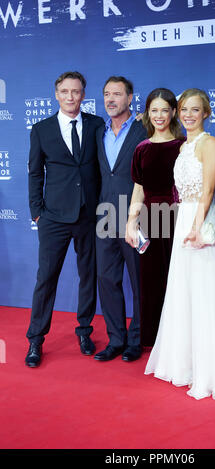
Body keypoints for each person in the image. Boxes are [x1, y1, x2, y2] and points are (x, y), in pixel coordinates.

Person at [145, 88, 215, 400]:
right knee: (184, 292)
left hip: (199, 223)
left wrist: (197, 227)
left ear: (205, 113)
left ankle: (211, 369)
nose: (188, 115)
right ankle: (185, 364)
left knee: (204, 294)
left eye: (195, 110)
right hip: (183, 220)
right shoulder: (184, 145)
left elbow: (210, 188)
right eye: (184, 109)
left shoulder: (208, 143)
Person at [26, 71, 104, 367]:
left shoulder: (97, 125)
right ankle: (35, 339)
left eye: (76, 92)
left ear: (83, 95)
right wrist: (37, 211)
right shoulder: (41, 129)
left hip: (90, 215)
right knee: (46, 278)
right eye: (65, 92)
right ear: (56, 94)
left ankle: (84, 330)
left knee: (89, 275)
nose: (71, 97)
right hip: (54, 217)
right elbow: (35, 173)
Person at [94, 76, 147, 363]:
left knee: (139, 280)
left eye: (117, 94)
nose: (111, 99)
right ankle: (116, 339)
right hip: (104, 215)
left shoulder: (146, 127)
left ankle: (136, 340)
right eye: (106, 94)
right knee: (107, 278)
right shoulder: (97, 131)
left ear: (130, 98)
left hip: (137, 216)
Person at [125, 88, 184, 347]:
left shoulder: (185, 146)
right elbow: (138, 188)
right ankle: (156, 339)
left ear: (173, 112)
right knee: (151, 280)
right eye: (154, 110)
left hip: (178, 220)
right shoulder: (142, 149)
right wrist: (130, 222)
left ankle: (180, 339)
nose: (159, 115)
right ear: (148, 113)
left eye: (164, 110)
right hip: (149, 221)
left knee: (179, 280)